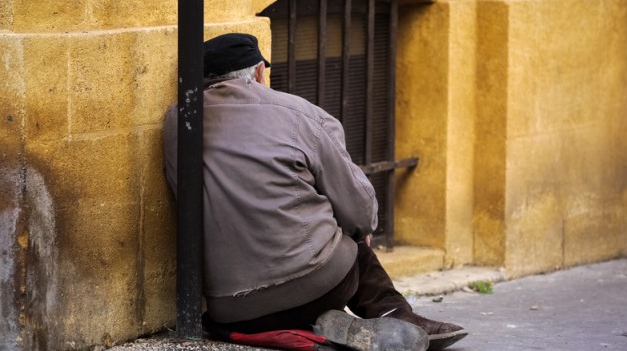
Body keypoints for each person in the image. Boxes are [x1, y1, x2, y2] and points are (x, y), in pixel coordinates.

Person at [163, 33, 467, 350]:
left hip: (231, 309)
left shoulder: (176, 121)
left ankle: (313, 324)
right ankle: (398, 316)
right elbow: (359, 210)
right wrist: (359, 229)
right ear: (258, 73)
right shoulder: (301, 115)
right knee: (352, 233)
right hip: (316, 287)